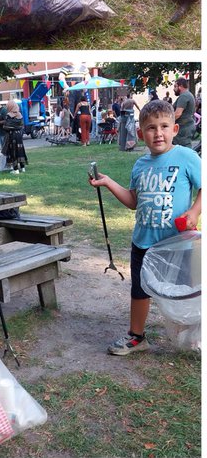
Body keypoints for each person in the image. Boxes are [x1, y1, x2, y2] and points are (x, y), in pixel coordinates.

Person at [89, 99, 201, 355]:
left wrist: (194, 211)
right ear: (140, 134)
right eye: (151, 128)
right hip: (143, 242)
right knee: (139, 291)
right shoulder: (140, 165)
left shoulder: (186, 157)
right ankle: (137, 337)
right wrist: (107, 182)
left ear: (174, 130)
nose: (158, 133)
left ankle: (191, 335)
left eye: (164, 126)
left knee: (183, 292)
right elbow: (133, 201)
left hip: (177, 243)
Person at [0, 100, 28, 173]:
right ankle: (22, 167)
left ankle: (15, 169)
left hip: (12, 135)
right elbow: (21, 126)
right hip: (19, 135)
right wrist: (16, 127)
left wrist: (8, 127)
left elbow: (6, 126)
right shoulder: (20, 115)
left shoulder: (8, 115)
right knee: (20, 150)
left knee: (13, 151)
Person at [173, 76, 197, 147]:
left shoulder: (184, 96)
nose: (174, 89)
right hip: (186, 127)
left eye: (175, 86)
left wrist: (166, 122)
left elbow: (177, 114)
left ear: (180, 86)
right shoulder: (189, 95)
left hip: (183, 129)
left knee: (183, 150)